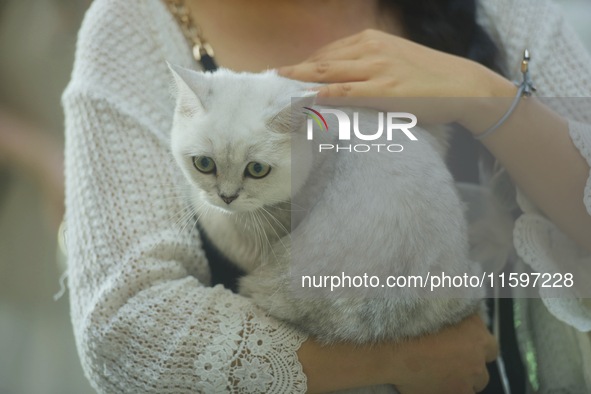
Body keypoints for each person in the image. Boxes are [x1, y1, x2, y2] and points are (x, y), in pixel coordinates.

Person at [62, 0, 591, 393]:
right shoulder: (132, 27)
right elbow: (122, 327)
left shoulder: (505, 8)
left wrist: (480, 95)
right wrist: (391, 361)